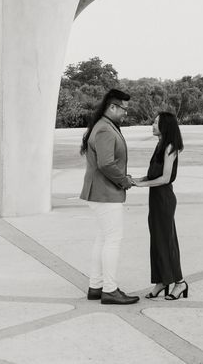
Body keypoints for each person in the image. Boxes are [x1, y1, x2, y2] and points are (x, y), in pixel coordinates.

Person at [79, 88, 139, 305]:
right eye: (124, 109)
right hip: (105, 193)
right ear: (112, 107)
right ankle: (110, 290)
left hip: (100, 193)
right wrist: (124, 180)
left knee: (103, 239)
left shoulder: (104, 126)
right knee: (113, 239)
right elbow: (106, 163)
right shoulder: (104, 129)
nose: (126, 113)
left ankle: (96, 286)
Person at [132, 111, 188, 300]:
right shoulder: (159, 145)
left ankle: (179, 283)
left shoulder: (170, 147)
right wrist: (136, 179)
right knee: (156, 241)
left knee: (167, 241)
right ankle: (162, 281)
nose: (153, 125)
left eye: (156, 123)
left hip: (164, 199)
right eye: (153, 122)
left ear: (165, 126)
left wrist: (142, 184)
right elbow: (153, 174)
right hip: (155, 198)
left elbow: (164, 178)